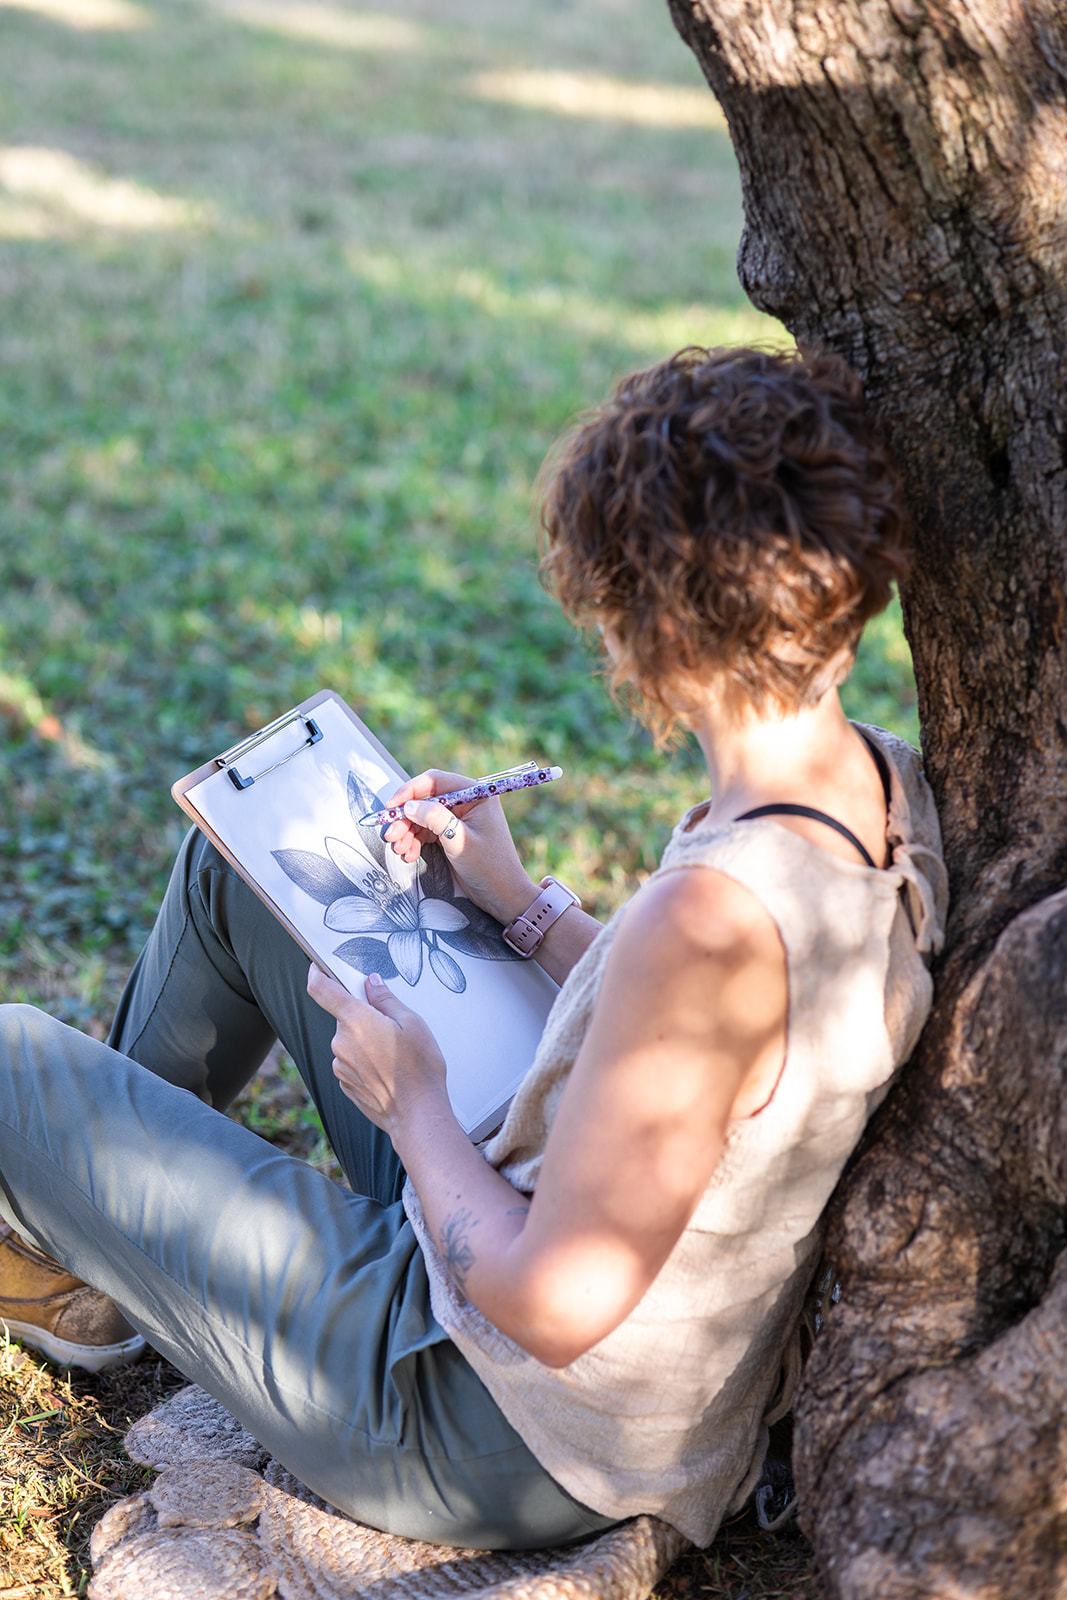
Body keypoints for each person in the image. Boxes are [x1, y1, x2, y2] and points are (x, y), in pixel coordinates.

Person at [0, 345, 946, 1550]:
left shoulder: (705, 920)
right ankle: (86, 1258)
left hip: (482, 1413)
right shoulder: (874, 781)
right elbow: (725, 1048)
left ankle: (71, 1230)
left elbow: (555, 1303)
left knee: (10, 1059)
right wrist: (516, 902)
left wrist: (414, 1111)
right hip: (568, 1313)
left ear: (646, 619)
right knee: (239, 865)